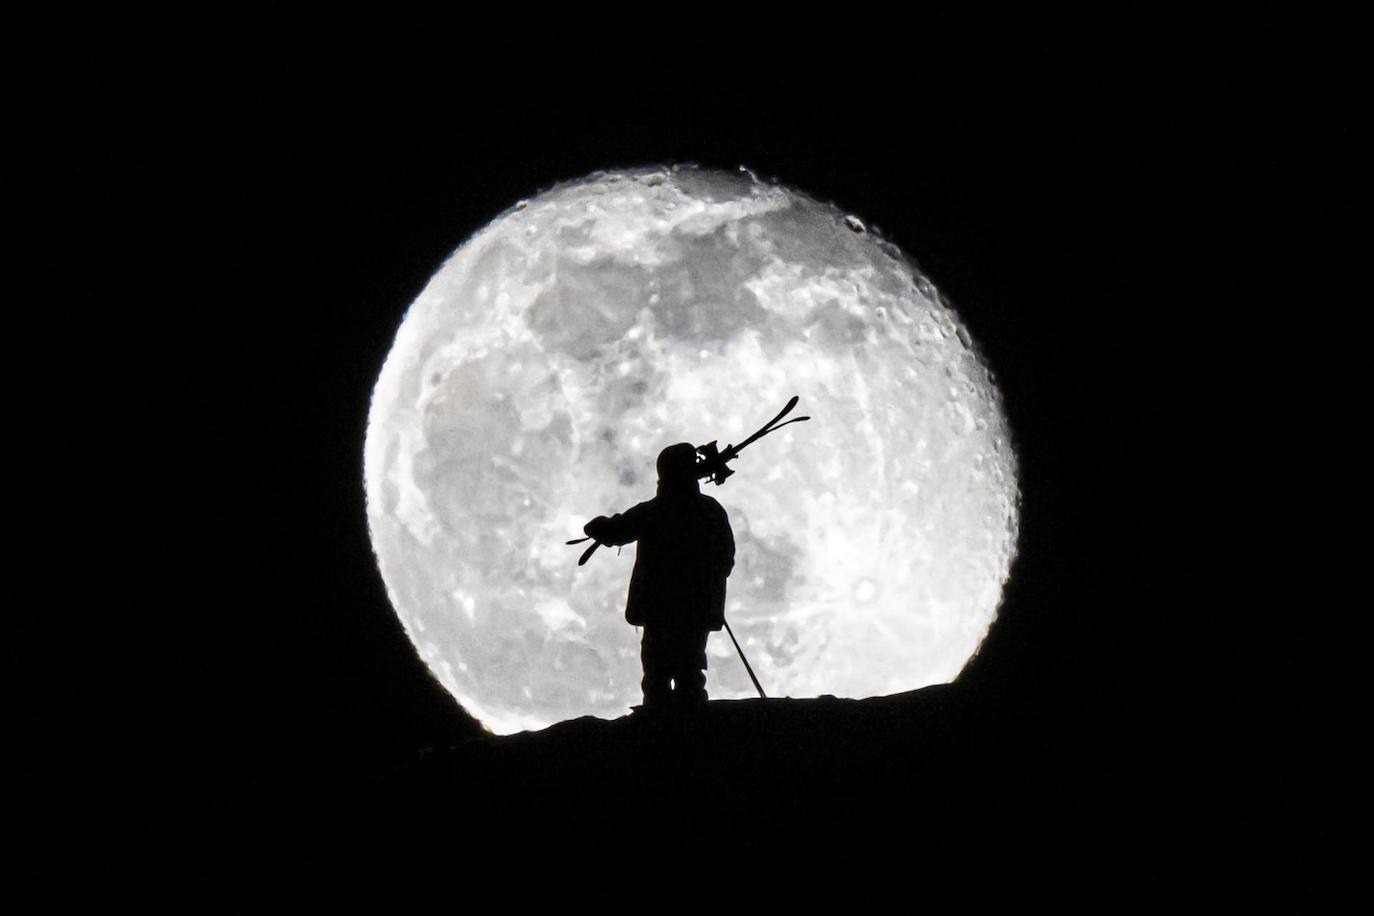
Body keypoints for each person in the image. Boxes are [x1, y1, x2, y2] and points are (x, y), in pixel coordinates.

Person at [583, 443, 735, 711]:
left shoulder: (653, 511)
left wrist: (598, 527)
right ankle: (689, 715)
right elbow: (725, 557)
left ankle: (658, 719)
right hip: (695, 605)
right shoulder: (710, 510)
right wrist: (707, 578)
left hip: (660, 605)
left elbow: (616, 530)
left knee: (658, 668)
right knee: (688, 666)